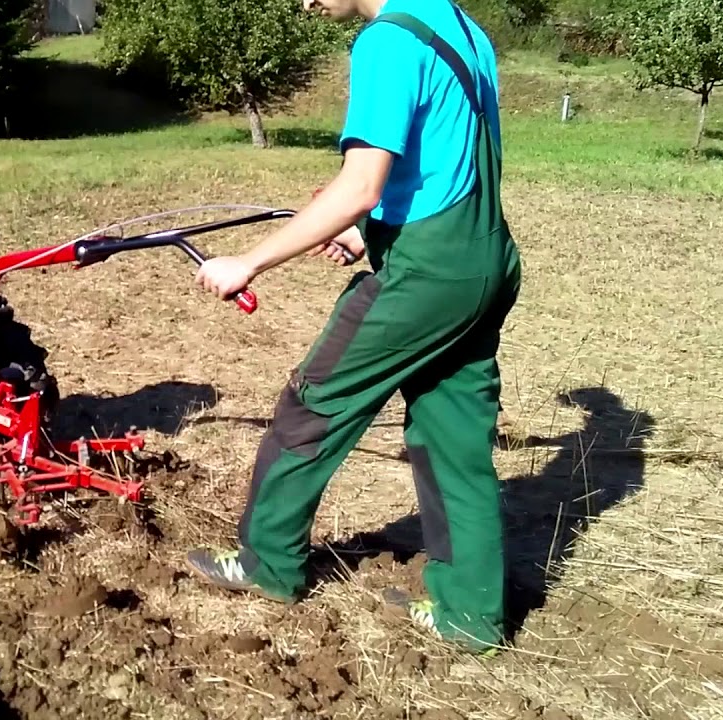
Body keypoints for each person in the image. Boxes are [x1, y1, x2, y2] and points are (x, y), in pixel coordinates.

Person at [185, 0, 523, 655]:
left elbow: (362, 184)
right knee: (454, 438)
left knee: (314, 402)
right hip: (484, 258)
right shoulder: (461, 25)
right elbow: (441, 163)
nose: (302, 3)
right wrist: (369, 236)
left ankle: (268, 564)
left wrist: (248, 262)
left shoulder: (386, 41)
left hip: (425, 275)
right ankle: (473, 616)